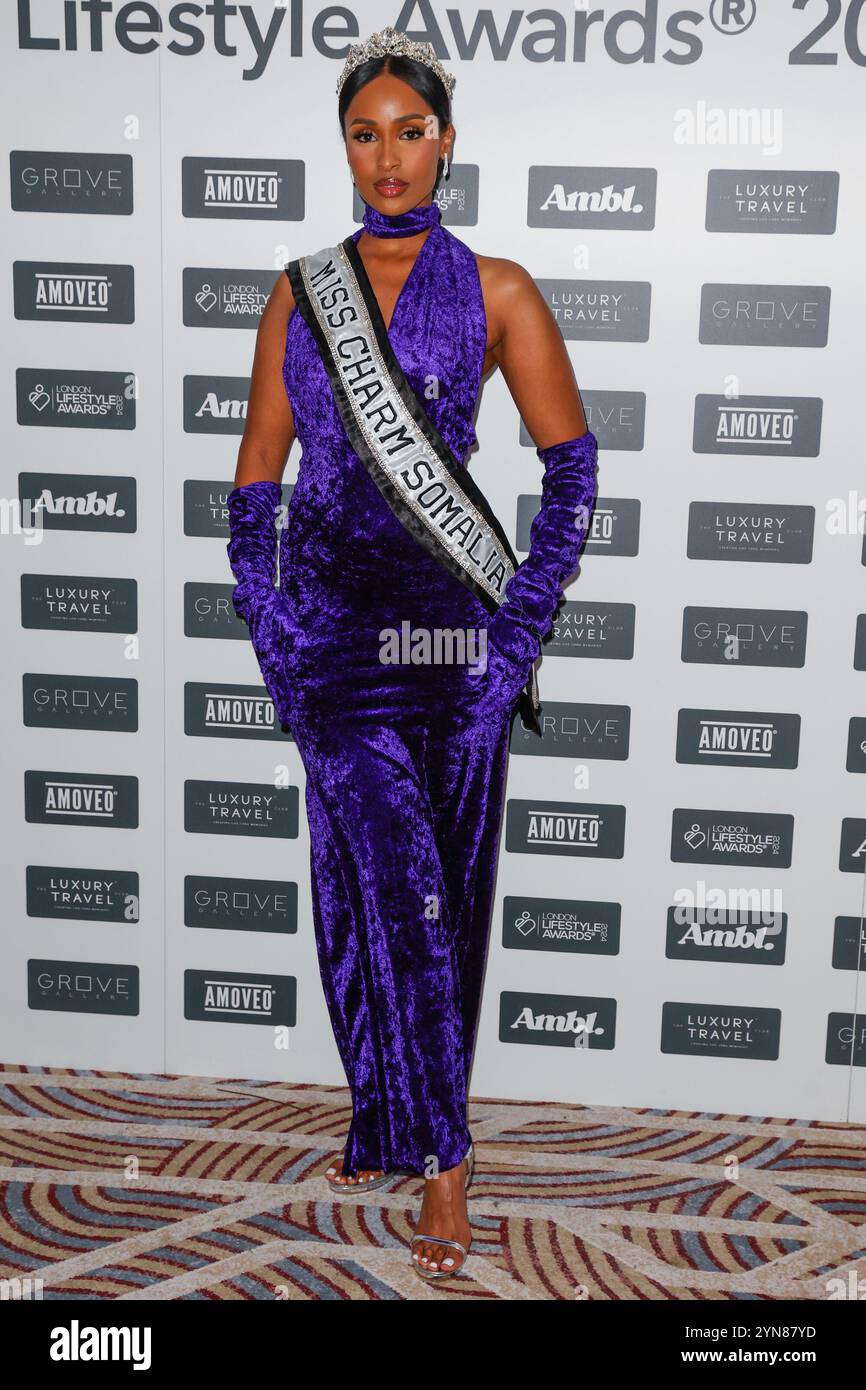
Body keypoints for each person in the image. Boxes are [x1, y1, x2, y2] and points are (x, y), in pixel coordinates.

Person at [226, 25, 598, 1282]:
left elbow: (572, 471)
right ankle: (420, 1136)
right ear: (344, 145)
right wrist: (270, 623)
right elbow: (253, 483)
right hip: (334, 644)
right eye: (363, 133)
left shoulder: (494, 288)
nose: (387, 158)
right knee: (360, 887)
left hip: (448, 645)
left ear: (446, 138)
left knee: (435, 900)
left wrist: (514, 639)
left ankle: (415, 1132)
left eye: (410, 130)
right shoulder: (300, 287)